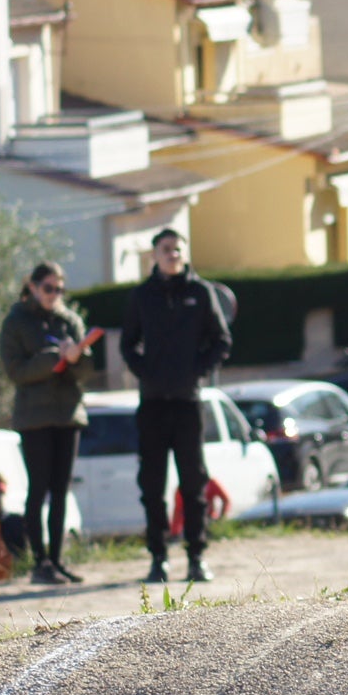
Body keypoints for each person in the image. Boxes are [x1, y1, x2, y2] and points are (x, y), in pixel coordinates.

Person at [121, 228, 231, 585]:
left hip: (187, 403)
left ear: (184, 253)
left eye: (177, 248)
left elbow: (221, 340)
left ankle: (196, 557)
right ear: (154, 254)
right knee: (152, 484)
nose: (172, 254)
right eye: (166, 249)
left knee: (193, 482)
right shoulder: (142, 296)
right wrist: (145, 372)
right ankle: (158, 558)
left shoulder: (200, 293)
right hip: (152, 404)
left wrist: (196, 371)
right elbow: (127, 344)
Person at [0, 260, 92, 584]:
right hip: (34, 418)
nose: (55, 295)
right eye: (49, 288)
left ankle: (57, 559)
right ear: (34, 287)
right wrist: (53, 358)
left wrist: (76, 359)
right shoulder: (16, 322)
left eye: (60, 289)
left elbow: (84, 372)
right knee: (38, 490)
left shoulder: (70, 321)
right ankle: (39, 563)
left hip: (67, 416)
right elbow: (15, 371)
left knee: (60, 491)